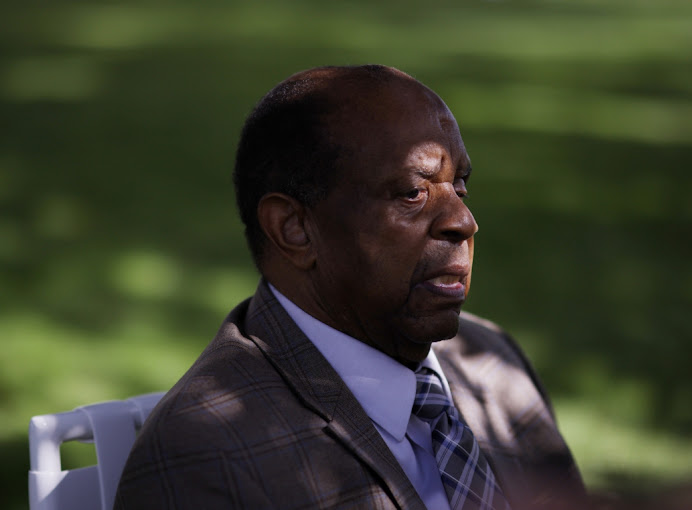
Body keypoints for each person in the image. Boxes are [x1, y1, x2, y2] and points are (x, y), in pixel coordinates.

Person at [115, 65, 586, 510]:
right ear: (294, 228)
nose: (464, 222)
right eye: (412, 193)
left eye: (459, 186)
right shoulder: (207, 456)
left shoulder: (490, 362)